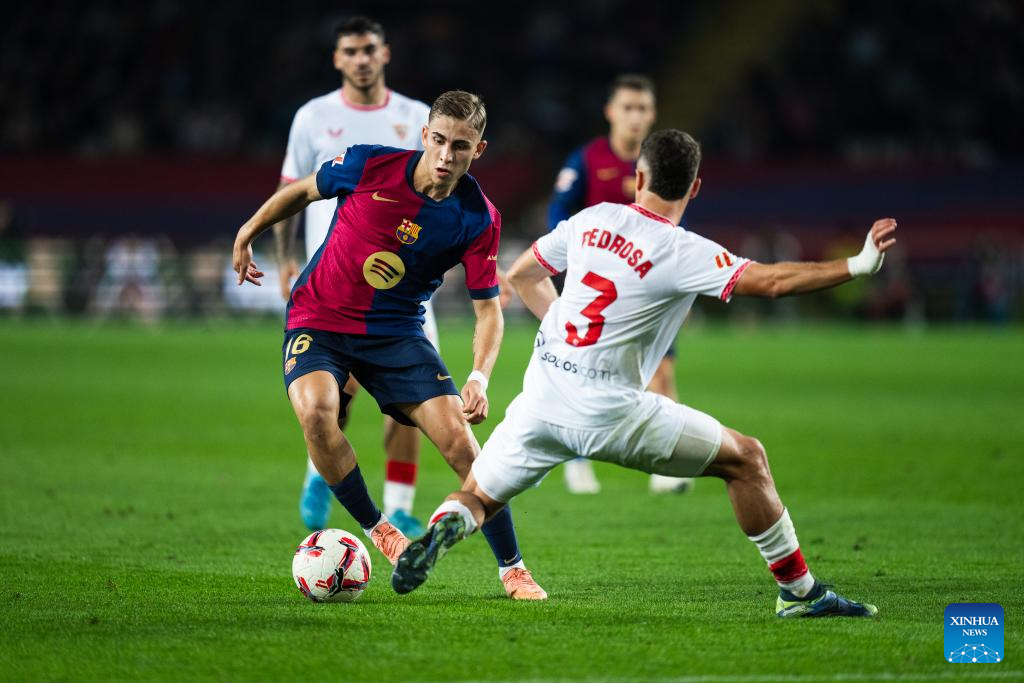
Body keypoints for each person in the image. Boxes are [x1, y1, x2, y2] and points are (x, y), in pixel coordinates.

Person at [391, 129, 894, 617]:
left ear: (639, 177)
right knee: (747, 459)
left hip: (541, 400)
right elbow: (775, 282)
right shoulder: (685, 251)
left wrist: (564, 327)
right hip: (612, 412)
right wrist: (858, 264)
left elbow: (522, 274)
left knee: (478, 495)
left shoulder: (592, 219)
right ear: (694, 188)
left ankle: (442, 529)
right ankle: (800, 593)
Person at [233, 90, 547, 601]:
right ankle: (379, 528)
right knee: (317, 413)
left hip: (398, 335)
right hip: (320, 320)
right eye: (440, 141)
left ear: (479, 150)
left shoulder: (478, 217)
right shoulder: (367, 164)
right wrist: (249, 231)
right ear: (424, 135)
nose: (447, 156)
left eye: (461, 147)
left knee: (467, 451)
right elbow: (302, 191)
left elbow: (488, 308)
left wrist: (479, 376)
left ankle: (513, 568)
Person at [274, 17, 436, 536]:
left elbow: (437, 192)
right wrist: (284, 259)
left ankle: (402, 503)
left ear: (385, 53)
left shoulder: (415, 117)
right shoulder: (313, 117)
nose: (362, 58)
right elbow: (291, 191)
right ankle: (320, 475)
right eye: (351, 51)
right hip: (335, 282)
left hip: (402, 284)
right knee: (335, 396)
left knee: (410, 400)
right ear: (338, 59)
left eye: (370, 49)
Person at [548, 74, 689, 495]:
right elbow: (558, 214)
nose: (635, 117)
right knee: (585, 375)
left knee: (661, 373)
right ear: (611, 112)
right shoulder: (586, 160)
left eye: (643, 108)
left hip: (649, 291)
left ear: (653, 114)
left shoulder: (662, 161)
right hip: (597, 293)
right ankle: (576, 461)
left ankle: (665, 468)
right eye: (627, 107)